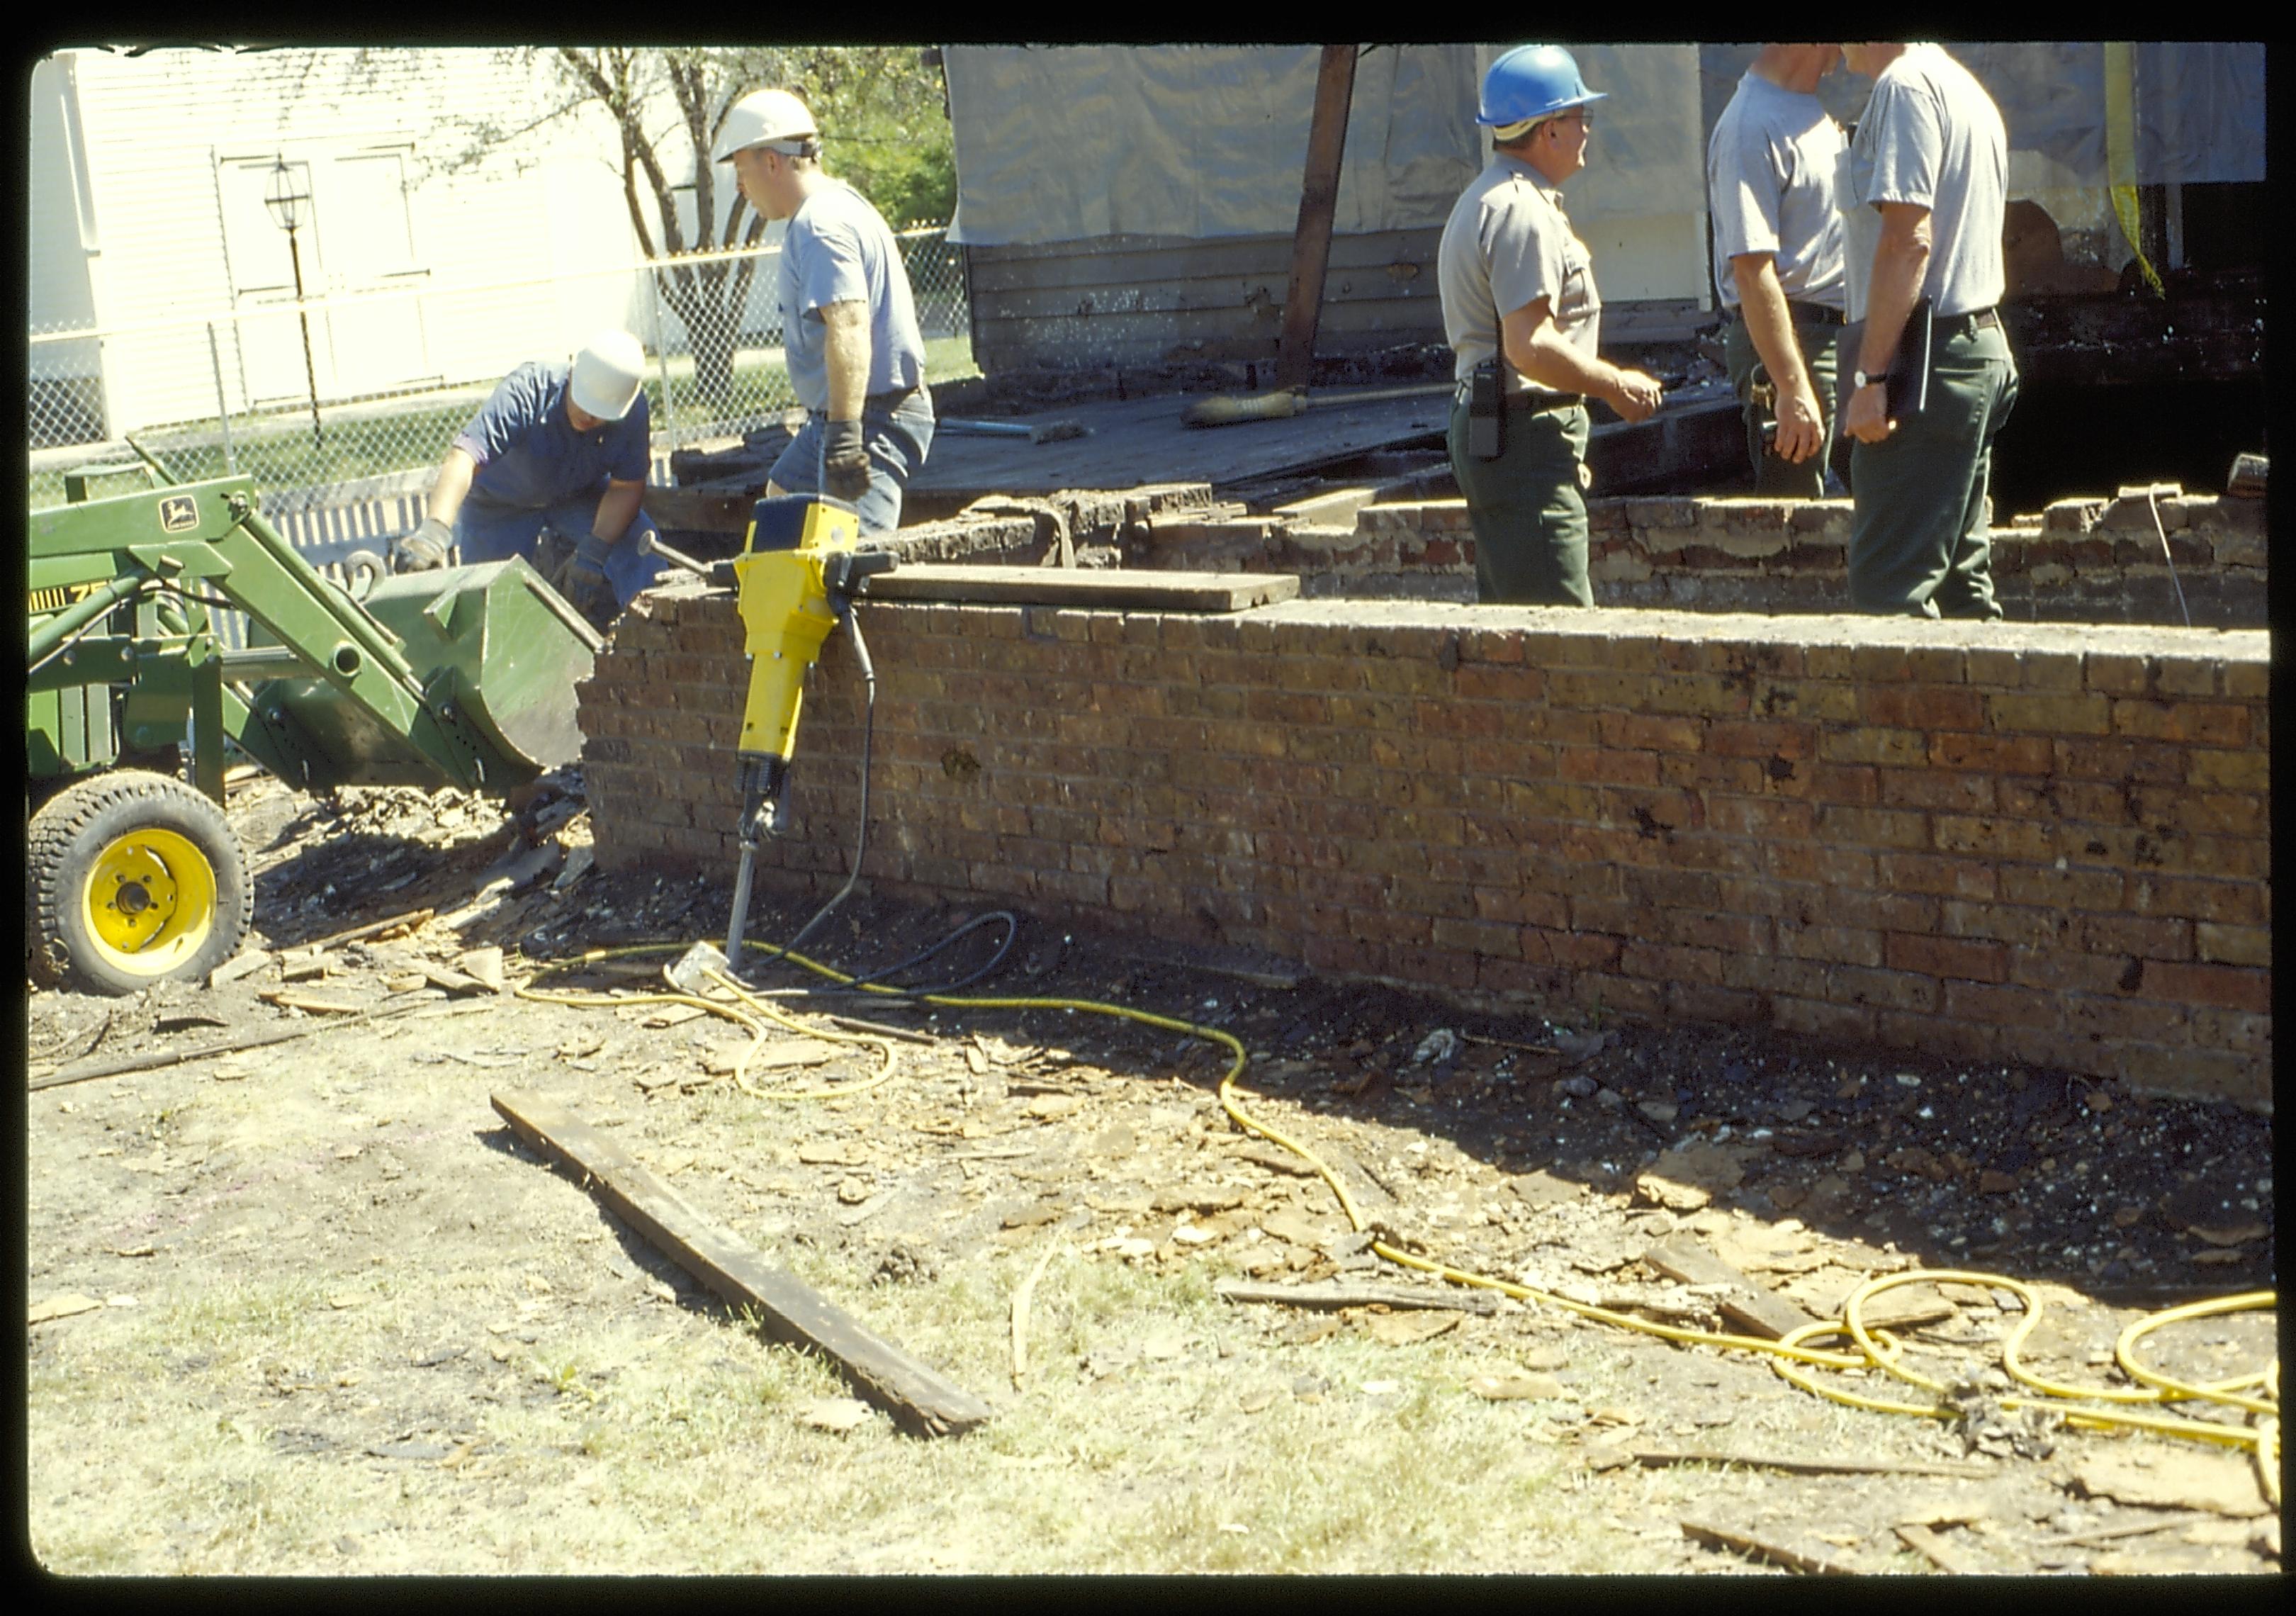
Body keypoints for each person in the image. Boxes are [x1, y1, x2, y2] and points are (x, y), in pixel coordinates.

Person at [1436, 45, 1665, 607]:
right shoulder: (1521, 209)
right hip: (1525, 435)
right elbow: (1530, 345)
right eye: (1579, 117)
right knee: (1556, 626)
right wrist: (1615, 384)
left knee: (1519, 618)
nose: (1587, 130)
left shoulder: (1491, 198)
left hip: (1507, 428)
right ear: (1549, 130)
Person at [1837, 43, 2016, 618]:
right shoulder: (1958, 85)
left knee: (1888, 595)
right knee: (1961, 590)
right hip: (1968, 350)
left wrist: (1870, 377)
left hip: (1925, 367)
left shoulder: (1905, 87)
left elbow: (1908, 241)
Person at [713, 87, 934, 532]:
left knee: (849, 558)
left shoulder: (820, 224)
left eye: (741, 171)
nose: (739, 188)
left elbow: (849, 324)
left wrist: (846, 439)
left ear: (772, 162)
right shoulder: (836, 206)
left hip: (872, 417)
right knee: (782, 507)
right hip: (844, 414)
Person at [393, 329, 665, 632]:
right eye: (582, 404)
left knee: (640, 545)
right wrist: (435, 530)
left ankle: (656, 638)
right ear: (573, 373)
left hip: (576, 497)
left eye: (599, 415)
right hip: (499, 506)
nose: (588, 418)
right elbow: (464, 457)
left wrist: (596, 549)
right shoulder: (528, 390)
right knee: (486, 604)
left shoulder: (631, 410)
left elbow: (627, 487)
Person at [1706, 44, 1848, 498]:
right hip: (1792, 339)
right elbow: (1751, 269)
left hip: (1837, 338)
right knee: (1796, 525)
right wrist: (1790, 385)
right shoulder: (1751, 125)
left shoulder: (1809, 113)